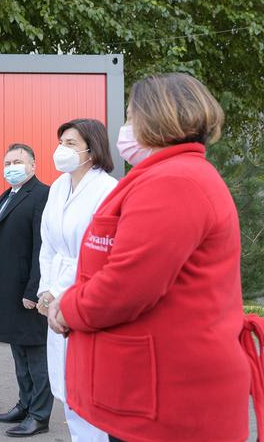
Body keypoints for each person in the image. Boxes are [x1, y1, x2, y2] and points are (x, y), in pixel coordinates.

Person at [48, 73, 254, 442]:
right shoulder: (169, 175)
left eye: (130, 116)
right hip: (157, 391)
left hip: (169, 400)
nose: (124, 127)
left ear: (157, 119)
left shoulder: (174, 182)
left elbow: (127, 286)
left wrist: (69, 308)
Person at [36, 119, 117, 442]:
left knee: (88, 388)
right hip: (55, 293)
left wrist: (57, 292)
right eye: (61, 142)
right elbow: (48, 245)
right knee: (66, 388)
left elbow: (92, 248)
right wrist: (45, 290)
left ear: (91, 148)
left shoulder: (107, 189)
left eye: (70, 143)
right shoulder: (57, 187)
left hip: (86, 292)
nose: (62, 149)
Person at [0, 143, 52, 438]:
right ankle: (24, 404)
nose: (11, 166)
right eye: (8, 161)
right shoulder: (7, 195)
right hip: (8, 290)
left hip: (28, 291)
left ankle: (39, 415)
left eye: (18, 161)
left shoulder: (41, 195)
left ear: (33, 166)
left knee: (35, 354)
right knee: (19, 351)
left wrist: (34, 290)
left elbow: (42, 246)